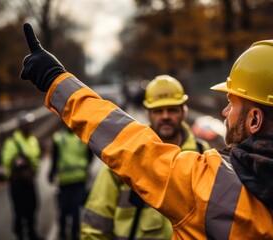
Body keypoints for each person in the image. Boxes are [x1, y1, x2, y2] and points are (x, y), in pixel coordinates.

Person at [20, 23, 273, 239]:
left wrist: (55, 80)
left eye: (233, 103)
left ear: (255, 120)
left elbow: (125, 142)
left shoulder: (205, 185)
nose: (225, 111)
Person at [81, 75, 210, 239]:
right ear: (148, 113)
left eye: (172, 109)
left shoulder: (203, 155)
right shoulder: (126, 155)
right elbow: (94, 226)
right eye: (158, 111)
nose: (165, 116)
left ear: (184, 112)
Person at [1, 111, 42, 240]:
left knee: (33, 207)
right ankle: (19, 235)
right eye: (26, 124)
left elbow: (36, 157)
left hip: (30, 180)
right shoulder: (12, 142)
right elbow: (6, 160)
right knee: (19, 211)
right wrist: (16, 162)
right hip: (17, 183)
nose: (29, 127)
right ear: (20, 126)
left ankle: (32, 233)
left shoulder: (33, 139)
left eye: (30, 124)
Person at [48, 126, 94, 240]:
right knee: (75, 210)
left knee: (64, 209)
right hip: (78, 179)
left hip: (66, 181)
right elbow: (90, 155)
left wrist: (51, 174)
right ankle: (74, 234)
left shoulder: (58, 138)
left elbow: (55, 159)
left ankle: (63, 233)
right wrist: (84, 167)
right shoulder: (82, 137)